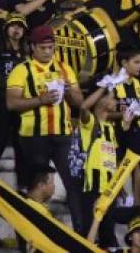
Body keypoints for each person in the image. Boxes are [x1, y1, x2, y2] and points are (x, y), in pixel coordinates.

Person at [6, 24, 85, 232]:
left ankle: (81, 235)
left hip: (63, 135)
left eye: (50, 47)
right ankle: (33, 234)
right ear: (32, 47)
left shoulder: (65, 69)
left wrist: (68, 91)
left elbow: (79, 102)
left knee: (73, 184)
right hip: (34, 137)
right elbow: (11, 103)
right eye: (43, 47)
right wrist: (41, 100)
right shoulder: (21, 70)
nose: (47, 51)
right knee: (35, 188)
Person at [79, 81, 133, 244]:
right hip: (93, 189)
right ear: (101, 100)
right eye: (112, 98)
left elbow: (112, 160)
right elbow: (83, 108)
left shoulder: (110, 128)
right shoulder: (91, 123)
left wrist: (120, 187)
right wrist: (103, 87)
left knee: (108, 235)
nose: (116, 102)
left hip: (109, 191)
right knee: (90, 233)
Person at [0, 10, 29, 187]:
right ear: (7, 28)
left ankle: (23, 187)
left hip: (19, 104)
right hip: (1, 102)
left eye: (20, 27)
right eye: (13, 26)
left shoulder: (26, 53)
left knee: (21, 146)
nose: (16, 30)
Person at [110, 45, 140, 155]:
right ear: (124, 63)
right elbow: (105, 114)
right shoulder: (112, 83)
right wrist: (125, 114)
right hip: (118, 136)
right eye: (136, 62)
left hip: (137, 136)